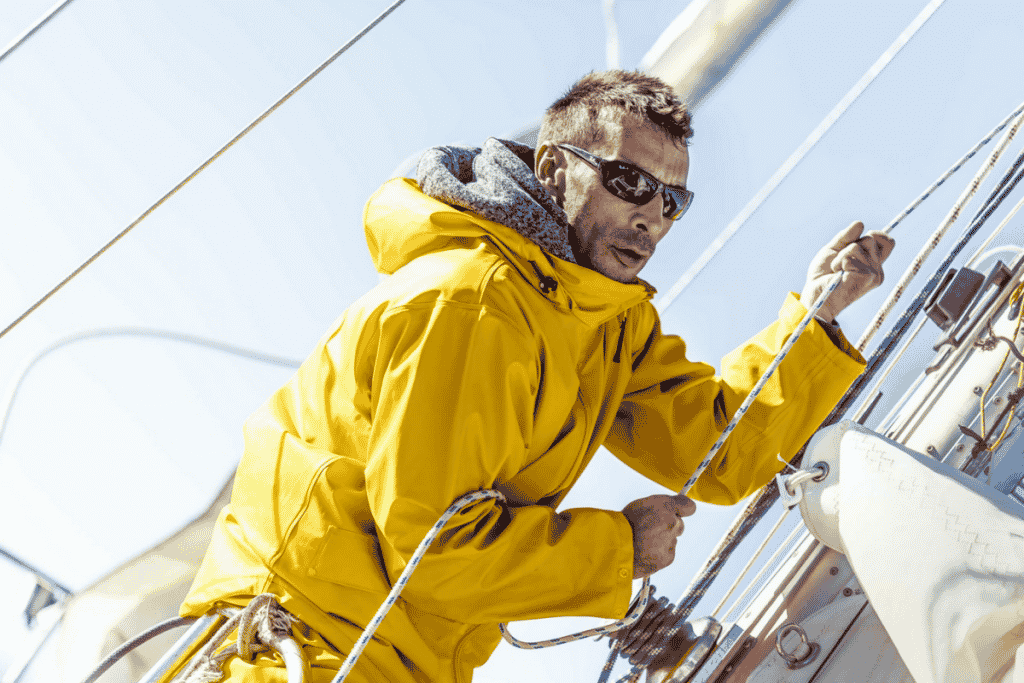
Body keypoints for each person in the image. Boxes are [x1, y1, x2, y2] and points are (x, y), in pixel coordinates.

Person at [179, 70, 894, 682]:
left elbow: (715, 449)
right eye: (629, 182)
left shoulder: (600, 323)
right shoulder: (473, 302)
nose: (650, 216)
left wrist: (817, 320)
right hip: (297, 654)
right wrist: (617, 549)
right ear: (554, 169)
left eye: (671, 201)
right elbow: (433, 555)